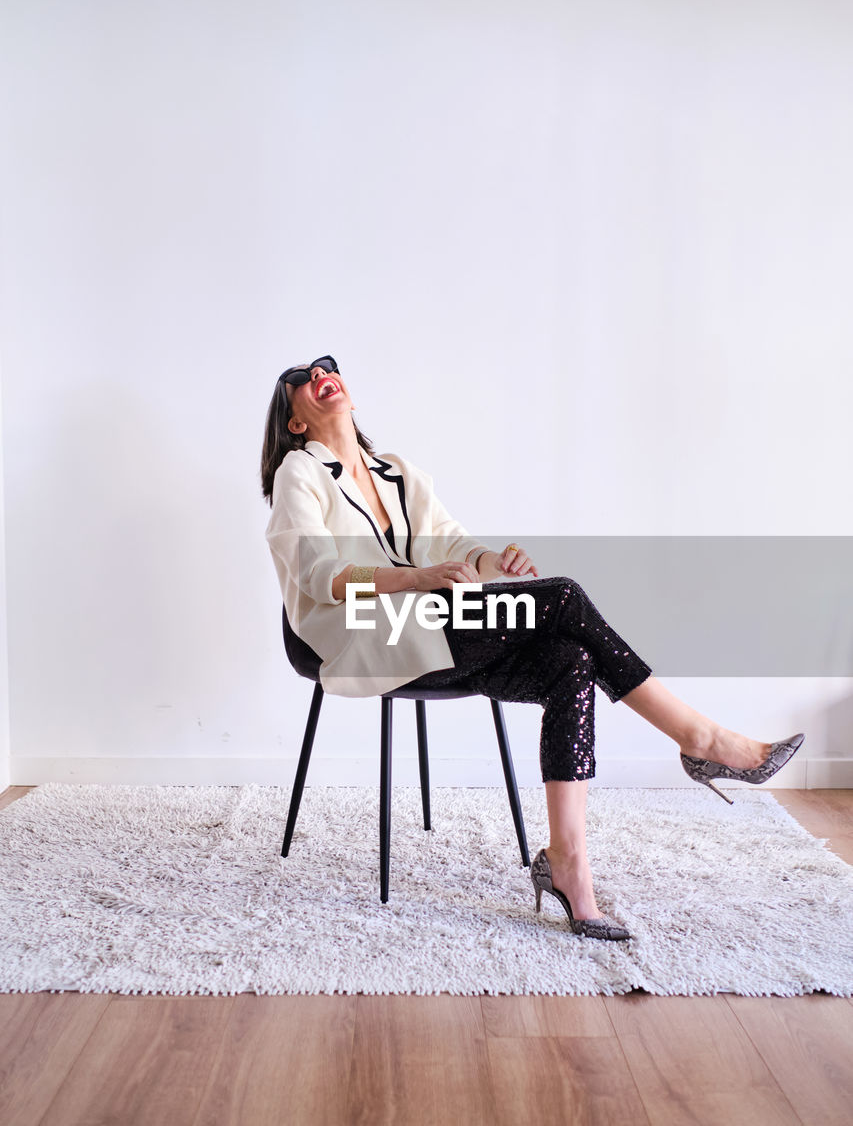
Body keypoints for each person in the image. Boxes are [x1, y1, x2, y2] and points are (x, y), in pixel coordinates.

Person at [261, 355, 805, 942]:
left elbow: (454, 546)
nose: (318, 374)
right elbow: (322, 576)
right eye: (302, 379)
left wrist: (498, 564)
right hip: (367, 629)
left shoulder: (396, 471)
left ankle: (568, 862)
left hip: (434, 621)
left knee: (571, 662)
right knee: (564, 597)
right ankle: (703, 740)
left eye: (326, 366)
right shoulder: (300, 472)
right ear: (295, 420)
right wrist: (416, 579)